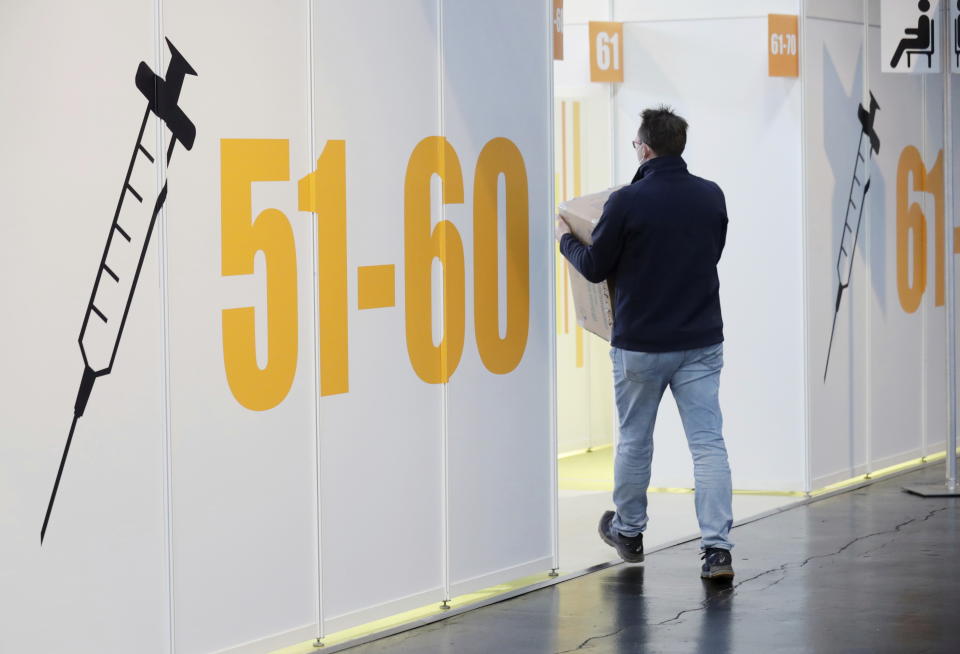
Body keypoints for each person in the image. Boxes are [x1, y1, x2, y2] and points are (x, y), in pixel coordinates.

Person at [556, 106, 735, 580]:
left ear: (645, 148)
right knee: (708, 445)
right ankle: (717, 551)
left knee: (636, 439)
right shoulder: (711, 196)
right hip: (700, 341)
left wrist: (563, 241)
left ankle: (630, 532)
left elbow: (594, 266)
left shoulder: (627, 202)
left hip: (641, 344)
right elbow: (710, 255)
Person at [889, 0, 933, 69]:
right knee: (903, 41)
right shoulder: (924, 17)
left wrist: (908, 31)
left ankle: (894, 63)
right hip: (921, 41)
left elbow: (920, 32)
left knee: (903, 42)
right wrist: (909, 31)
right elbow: (920, 32)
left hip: (922, 43)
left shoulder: (923, 18)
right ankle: (893, 63)